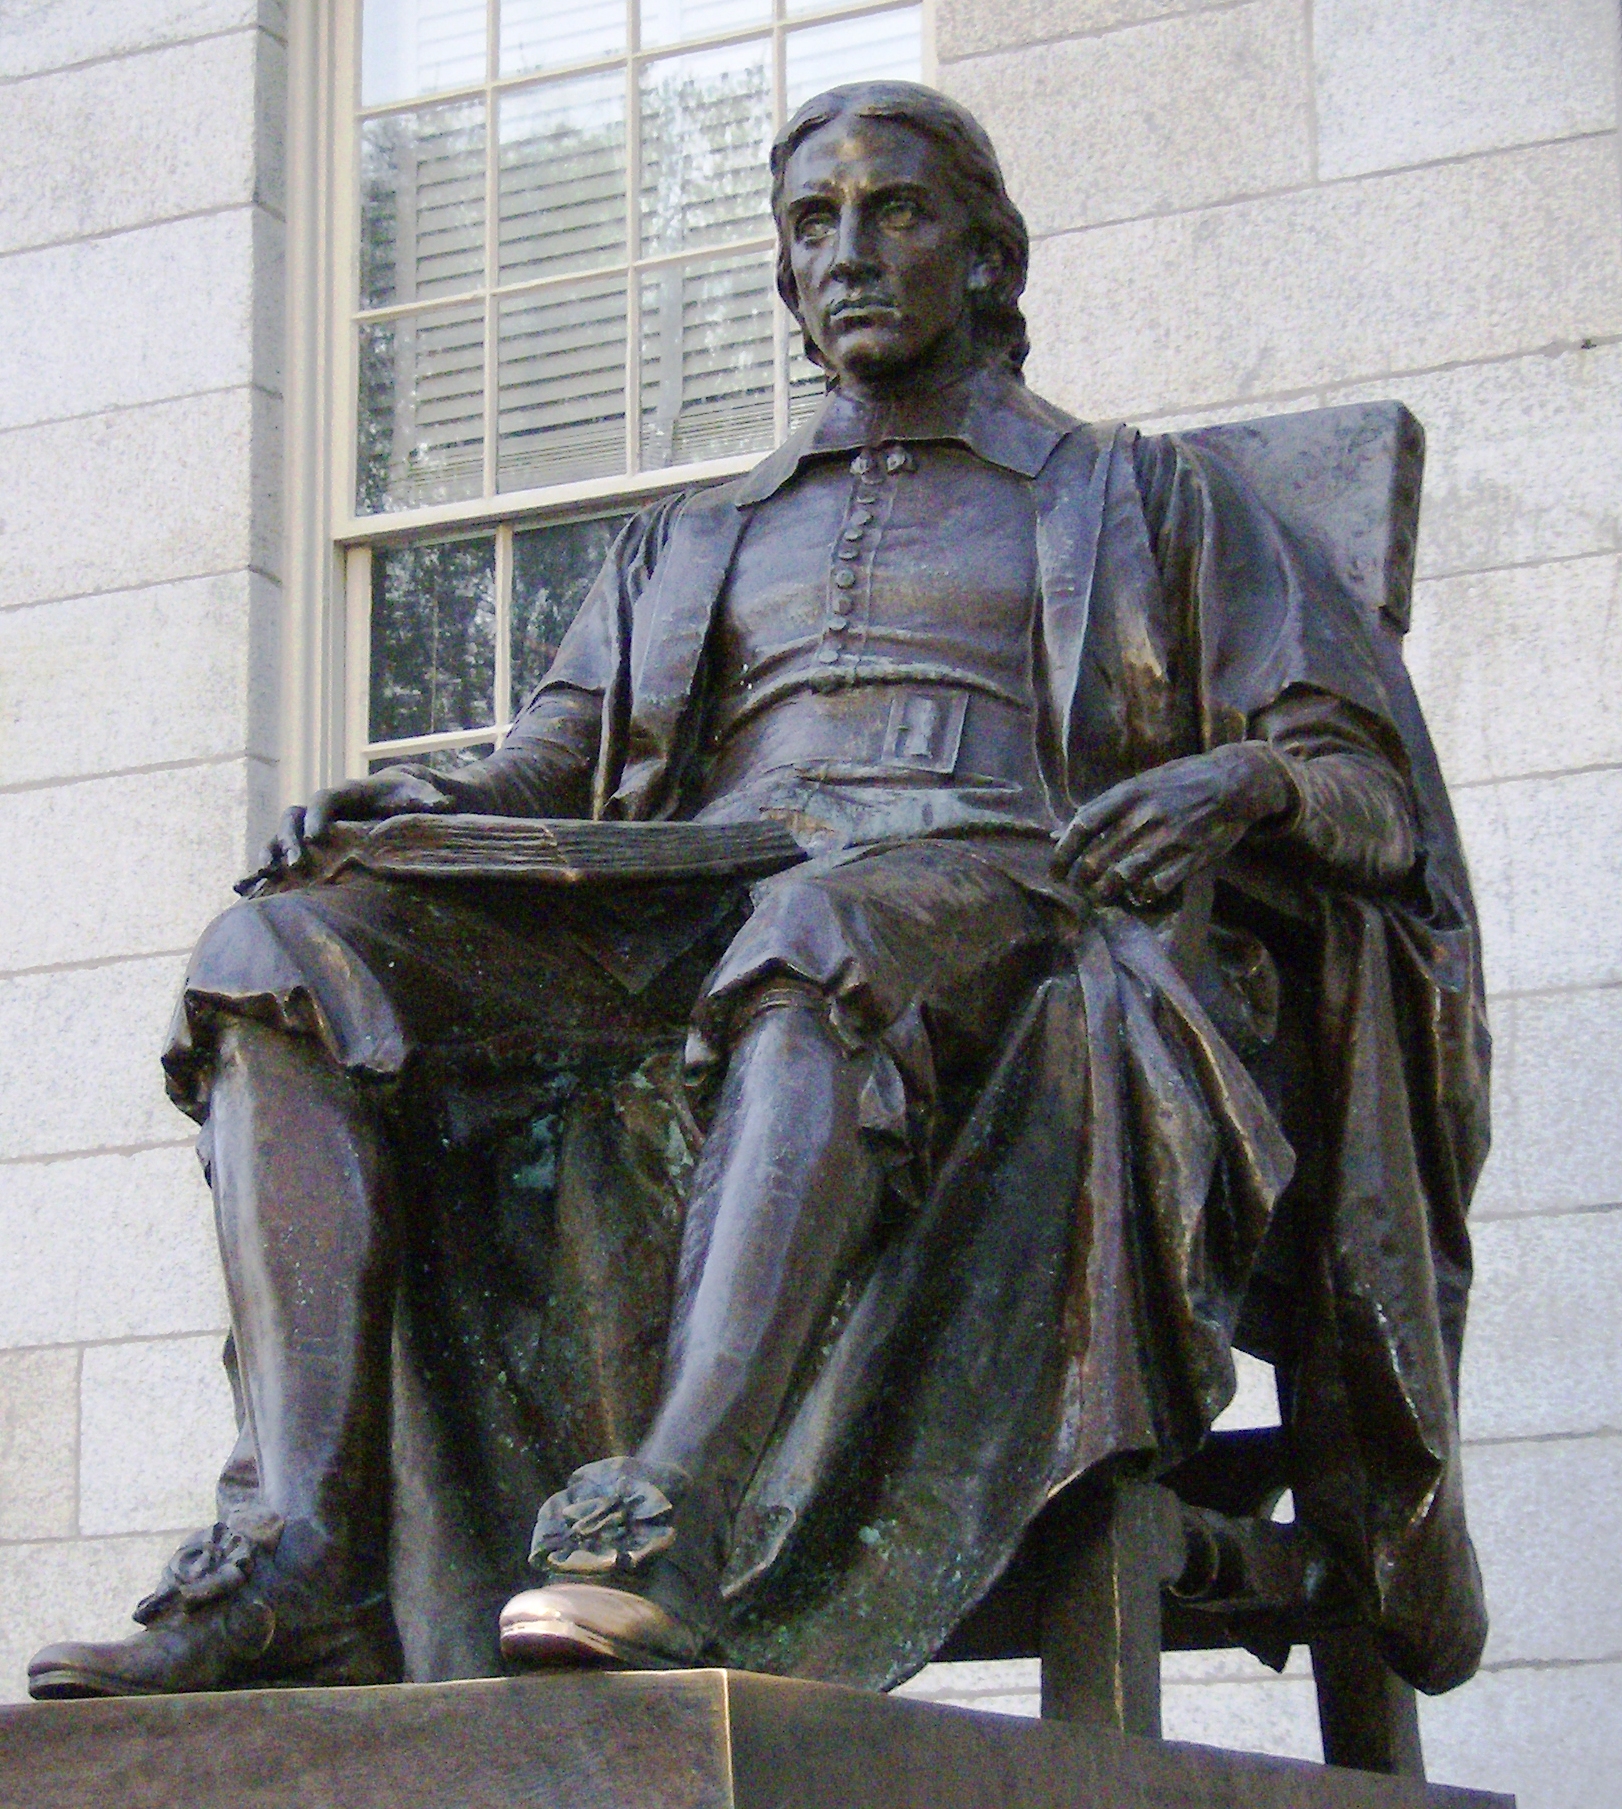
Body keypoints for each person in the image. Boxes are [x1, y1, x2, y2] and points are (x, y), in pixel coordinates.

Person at [28, 81, 1489, 1704]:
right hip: (699, 890)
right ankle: (302, 1549)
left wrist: (1237, 782)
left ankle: (666, 1517)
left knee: (821, 929)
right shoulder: (698, 532)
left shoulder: (1141, 497)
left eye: (896, 212)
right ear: (784, 275)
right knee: (281, 947)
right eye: (812, 223)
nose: (848, 250)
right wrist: (435, 801)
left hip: (1003, 885)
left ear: (988, 260)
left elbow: (1370, 799)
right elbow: (559, 757)